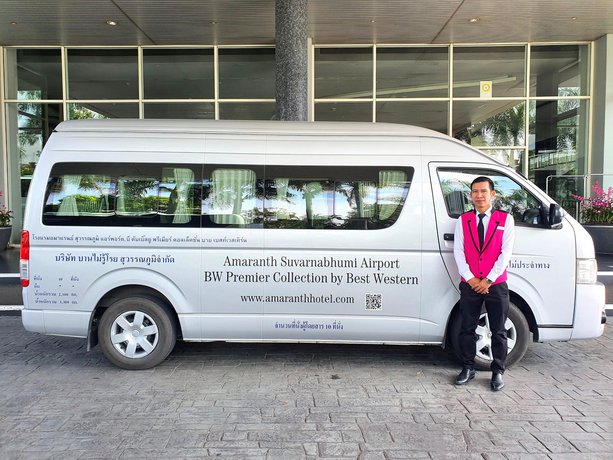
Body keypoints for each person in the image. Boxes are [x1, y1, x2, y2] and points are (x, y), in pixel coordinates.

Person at [452, 176, 515, 391]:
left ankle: (498, 371)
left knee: (498, 330)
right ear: (471, 195)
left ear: (492, 194)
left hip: (495, 284)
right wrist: (470, 278)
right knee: (467, 328)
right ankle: (468, 367)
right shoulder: (463, 220)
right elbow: (458, 251)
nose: (479, 196)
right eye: (475, 192)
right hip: (469, 283)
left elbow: (506, 253)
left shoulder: (505, 220)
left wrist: (488, 280)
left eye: (483, 191)